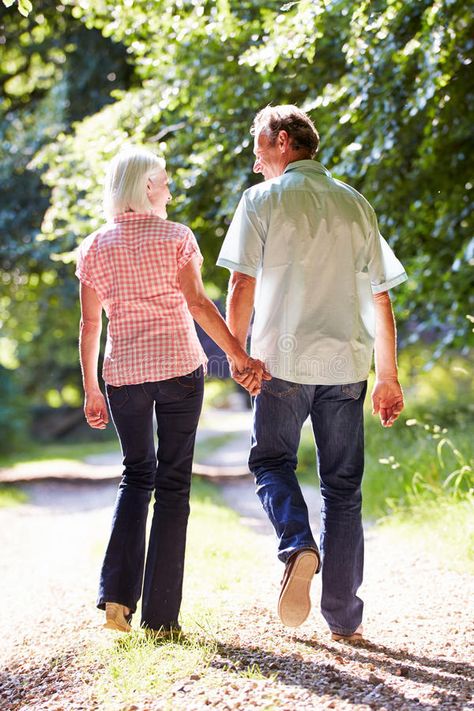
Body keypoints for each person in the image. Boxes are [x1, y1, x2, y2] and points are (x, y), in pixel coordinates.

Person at [217, 105, 407, 641]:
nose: (256, 162)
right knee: (344, 488)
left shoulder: (260, 201)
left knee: (271, 461)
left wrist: (236, 352)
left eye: (258, 147)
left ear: (281, 141)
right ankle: (344, 616)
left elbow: (240, 287)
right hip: (347, 364)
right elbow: (381, 297)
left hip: (281, 362)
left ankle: (297, 544)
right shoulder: (355, 204)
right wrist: (388, 375)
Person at [76, 146, 266, 634]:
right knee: (174, 484)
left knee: (136, 474)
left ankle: (117, 599)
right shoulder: (177, 237)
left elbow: (90, 326)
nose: (170, 190)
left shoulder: (94, 246)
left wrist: (91, 388)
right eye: (164, 181)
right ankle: (162, 619)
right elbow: (200, 305)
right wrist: (239, 357)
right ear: (145, 187)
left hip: (124, 378)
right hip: (179, 371)